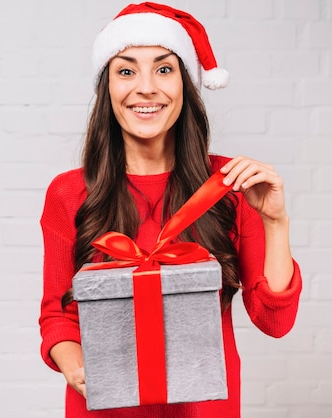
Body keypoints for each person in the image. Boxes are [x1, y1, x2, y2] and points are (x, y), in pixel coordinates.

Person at [39, 3, 302, 417]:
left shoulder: (229, 186)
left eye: (164, 69)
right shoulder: (70, 192)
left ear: (186, 84)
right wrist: (77, 369)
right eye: (126, 70)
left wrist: (274, 221)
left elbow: (275, 322)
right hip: (104, 407)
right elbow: (57, 316)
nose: (146, 88)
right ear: (106, 86)